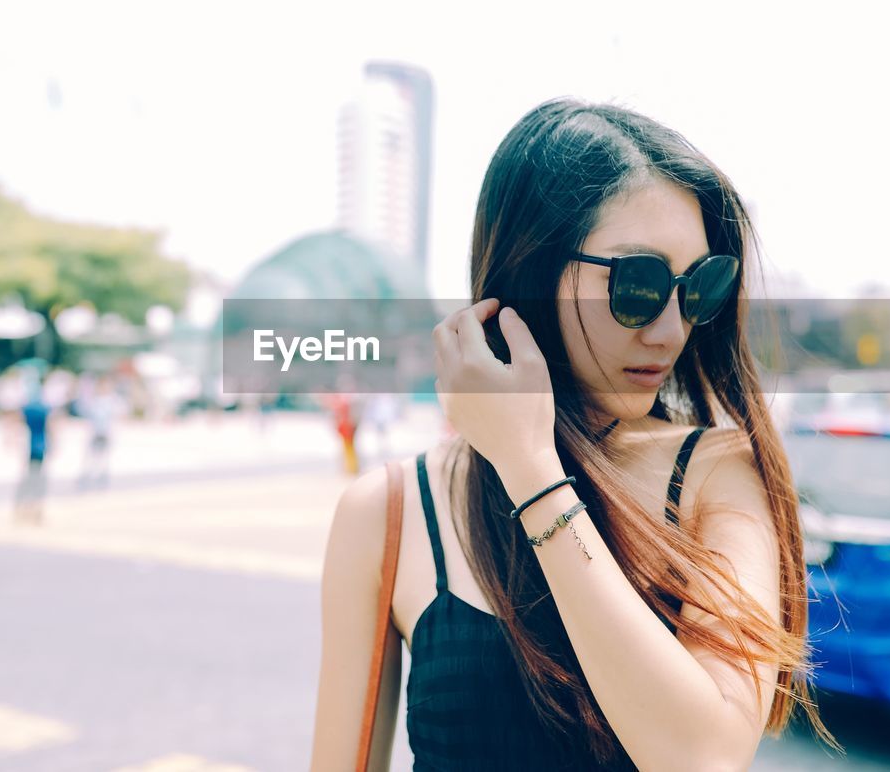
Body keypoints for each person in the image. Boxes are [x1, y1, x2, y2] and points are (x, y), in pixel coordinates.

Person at [310, 98, 838, 770]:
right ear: (533, 270)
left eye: (698, 286)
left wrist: (529, 467)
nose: (671, 328)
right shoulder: (390, 510)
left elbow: (702, 756)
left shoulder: (715, 473)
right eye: (637, 283)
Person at [13, 383, 55, 525]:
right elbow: (50, 426)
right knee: (38, 478)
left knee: (26, 478)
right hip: (39, 445)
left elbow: (16, 424)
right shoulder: (44, 409)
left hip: (26, 445)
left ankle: (21, 508)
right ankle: (36, 510)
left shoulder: (26, 408)